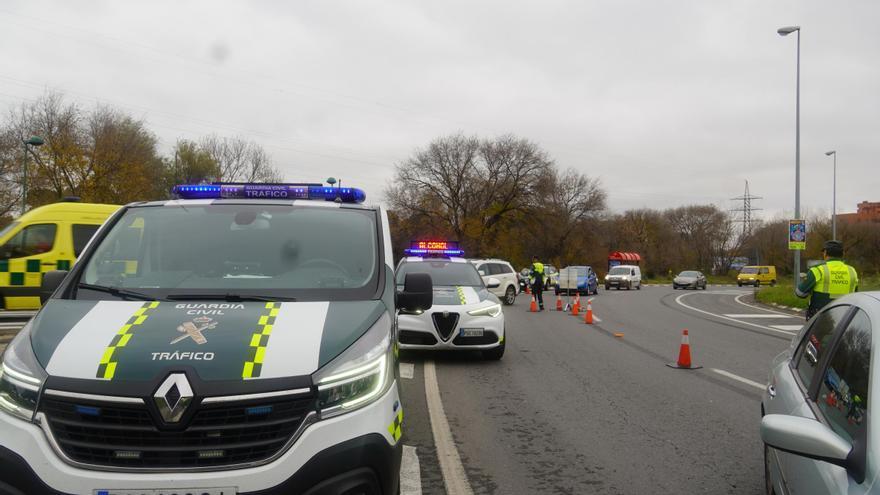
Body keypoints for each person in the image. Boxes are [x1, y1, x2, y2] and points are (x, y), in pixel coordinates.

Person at [796, 240, 859, 320]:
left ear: (825, 253)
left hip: (820, 318)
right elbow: (856, 294)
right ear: (843, 253)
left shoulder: (817, 270)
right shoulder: (852, 271)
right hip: (845, 319)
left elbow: (800, 293)